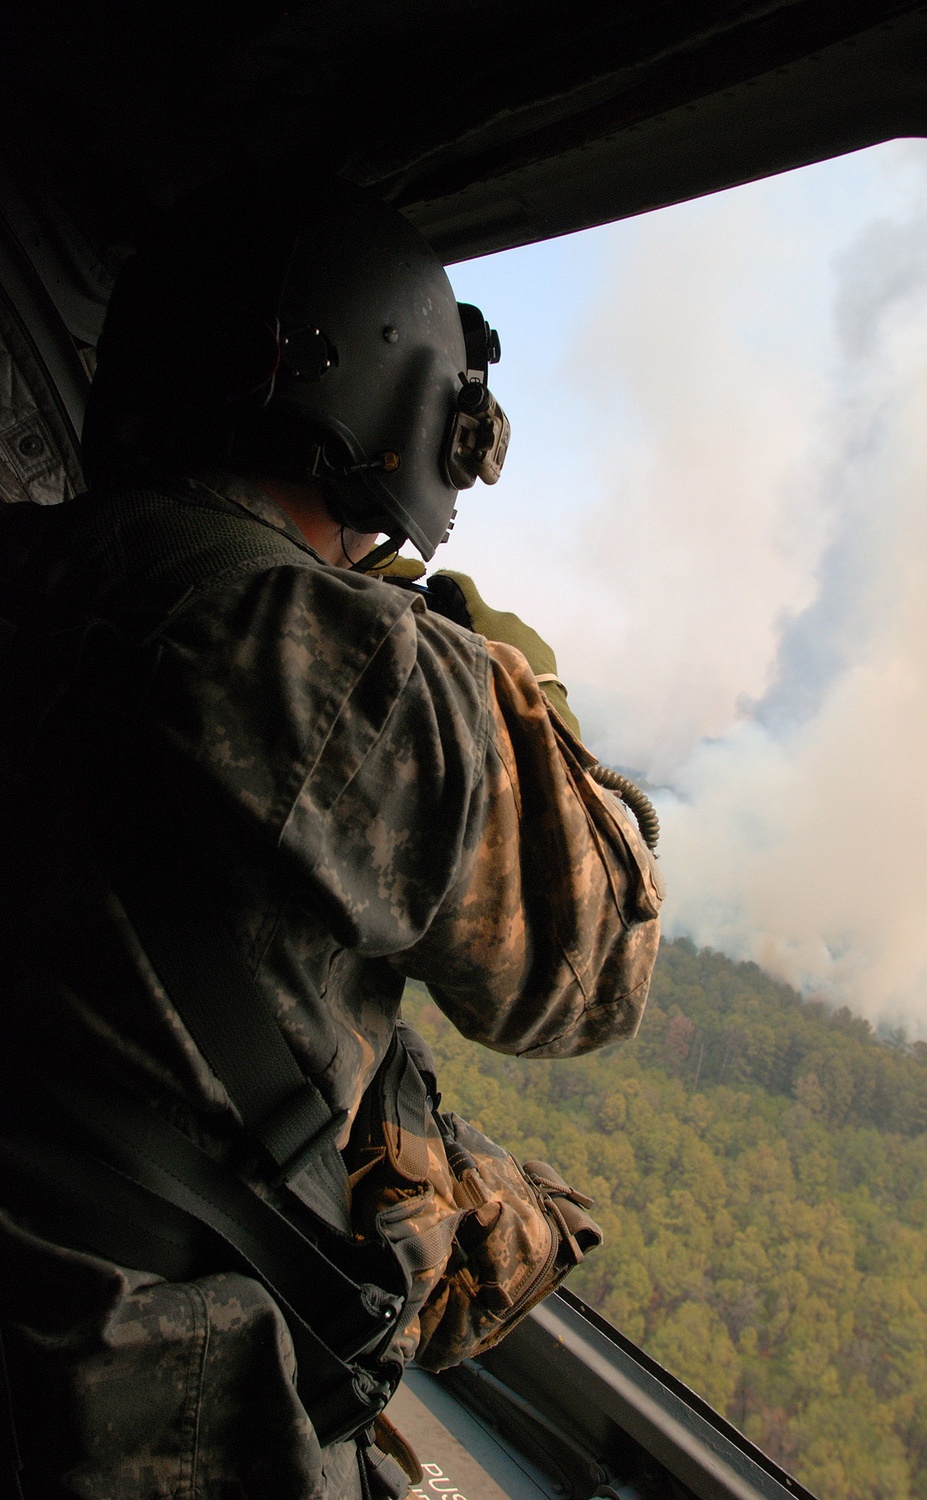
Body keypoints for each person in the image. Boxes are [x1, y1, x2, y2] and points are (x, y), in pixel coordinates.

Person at [0, 173, 662, 1499]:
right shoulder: (350, 665)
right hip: (132, 1422)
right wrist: (506, 680)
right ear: (405, 414)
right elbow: (598, 967)